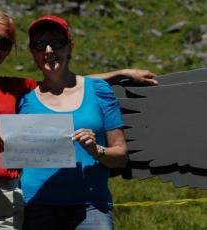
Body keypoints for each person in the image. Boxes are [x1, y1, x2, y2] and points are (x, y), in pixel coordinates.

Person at [0, 9, 156, 230]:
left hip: (8, 193)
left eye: (5, 43)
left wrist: (121, 74)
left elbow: (64, 81)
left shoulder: (16, 88)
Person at [19, 15, 129, 230]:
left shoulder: (98, 91)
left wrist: (97, 150)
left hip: (90, 206)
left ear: (70, 47)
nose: (49, 50)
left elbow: (121, 156)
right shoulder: (24, 97)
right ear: (33, 52)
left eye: (57, 43)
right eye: (40, 44)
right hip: (36, 205)